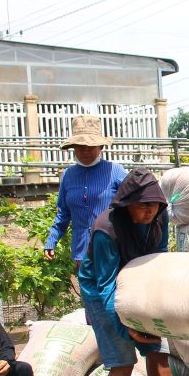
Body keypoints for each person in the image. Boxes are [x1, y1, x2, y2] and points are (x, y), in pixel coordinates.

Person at [78, 167, 175, 376]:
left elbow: (158, 259)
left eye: (154, 205)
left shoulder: (160, 217)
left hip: (139, 282)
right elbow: (107, 287)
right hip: (100, 291)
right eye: (142, 206)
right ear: (127, 204)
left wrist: (155, 309)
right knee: (122, 361)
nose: (149, 212)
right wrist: (127, 330)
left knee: (157, 351)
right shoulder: (106, 230)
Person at [44, 114, 128, 266]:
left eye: (90, 146)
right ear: (73, 147)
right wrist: (52, 240)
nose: (85, 151)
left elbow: (134, 201)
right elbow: (63, 213)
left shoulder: (115, 171)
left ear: (100, 147)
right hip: (81, 251)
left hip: (112, 247)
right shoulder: (68, 175)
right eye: (80, 146)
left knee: (112, 289)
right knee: (87, 288)